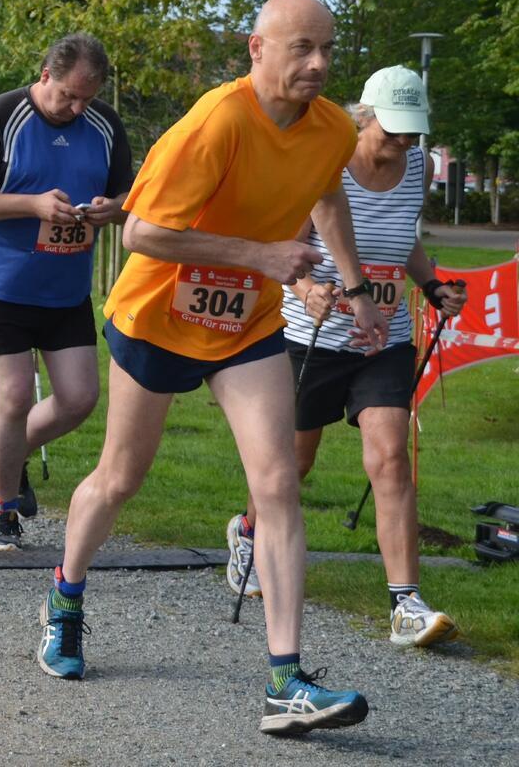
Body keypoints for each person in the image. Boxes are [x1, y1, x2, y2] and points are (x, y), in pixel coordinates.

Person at [39, 0, 386, 737]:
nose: (319, 64)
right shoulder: (218, 121)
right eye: (301, 49)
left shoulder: (331, 128)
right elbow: (140, 233)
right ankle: (65, 596)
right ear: (256, 49)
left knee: (277, 482)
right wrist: (262, 256)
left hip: (245, 326)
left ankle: (286, 681)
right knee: (120, 479)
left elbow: (326, 194)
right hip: (159, 316)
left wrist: (353, 288)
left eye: (327, 48)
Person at [226, 65, 466, 649]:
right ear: (364, 118)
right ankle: (247, 535)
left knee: (389, 458)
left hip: (384, 339)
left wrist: (432, 284)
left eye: (412, 132)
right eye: (392, 131)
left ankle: (405, 605)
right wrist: (308, 291)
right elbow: (290, 241)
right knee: (291, 466)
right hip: (313, 337)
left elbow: (403, 238)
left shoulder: (418, 168)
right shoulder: (325, 165)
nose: (403, 144)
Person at [0, 33, 133, 551]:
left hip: (65, 288)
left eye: (87, 99)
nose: (76, 108)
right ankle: (3, 509)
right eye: (69, 95)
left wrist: (108, 210)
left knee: (79, 399)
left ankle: (9, 457)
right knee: (11, 395)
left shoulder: (104, 126)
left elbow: (129, 198)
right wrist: (31, 206)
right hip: (2, 285)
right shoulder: (1, 115)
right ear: (46, 74)